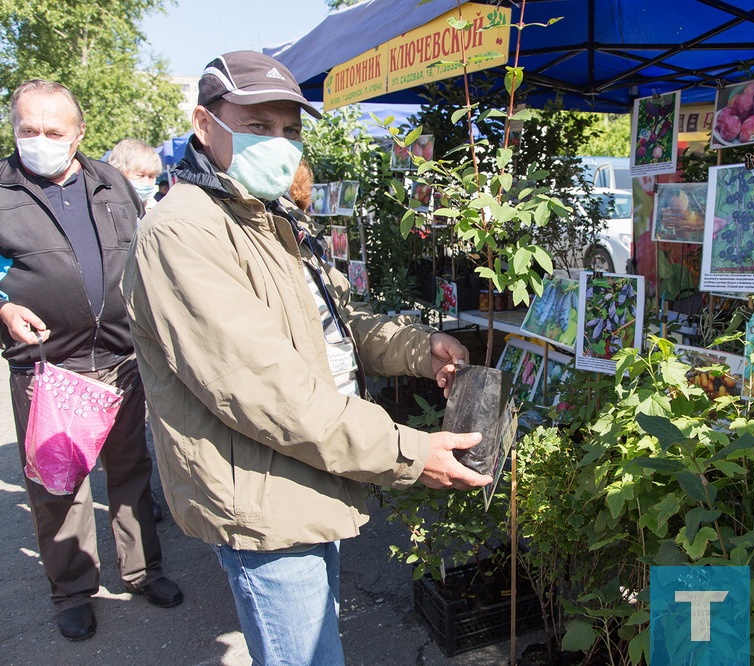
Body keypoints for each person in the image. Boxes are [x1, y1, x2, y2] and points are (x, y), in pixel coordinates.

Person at [121, 50, 490, 664]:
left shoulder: (270, 219)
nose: (280, 143)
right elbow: (264, 387)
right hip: (264, 494)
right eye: (258, 126)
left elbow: (337, 322)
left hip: (309, 474)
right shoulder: (184, 231)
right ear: (204, 123)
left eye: (290, 130)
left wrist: (419, 351)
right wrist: (409, 450)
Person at [0, 79, 183, 642]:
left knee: (130, 470)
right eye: (28, 129)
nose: (40, 141)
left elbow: (146, 252)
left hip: (123, 358)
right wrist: (3, 308)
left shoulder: (110, 183)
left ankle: (142, 570)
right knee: (59, 485)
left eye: (53, 131)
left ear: (78, 134)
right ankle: (73, 591)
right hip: (48, 365)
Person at [107, 138, 163, 211]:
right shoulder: (105, 207)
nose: (146, 182)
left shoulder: (155, 209)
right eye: (140, 176)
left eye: (151, 176)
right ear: (119, 173)